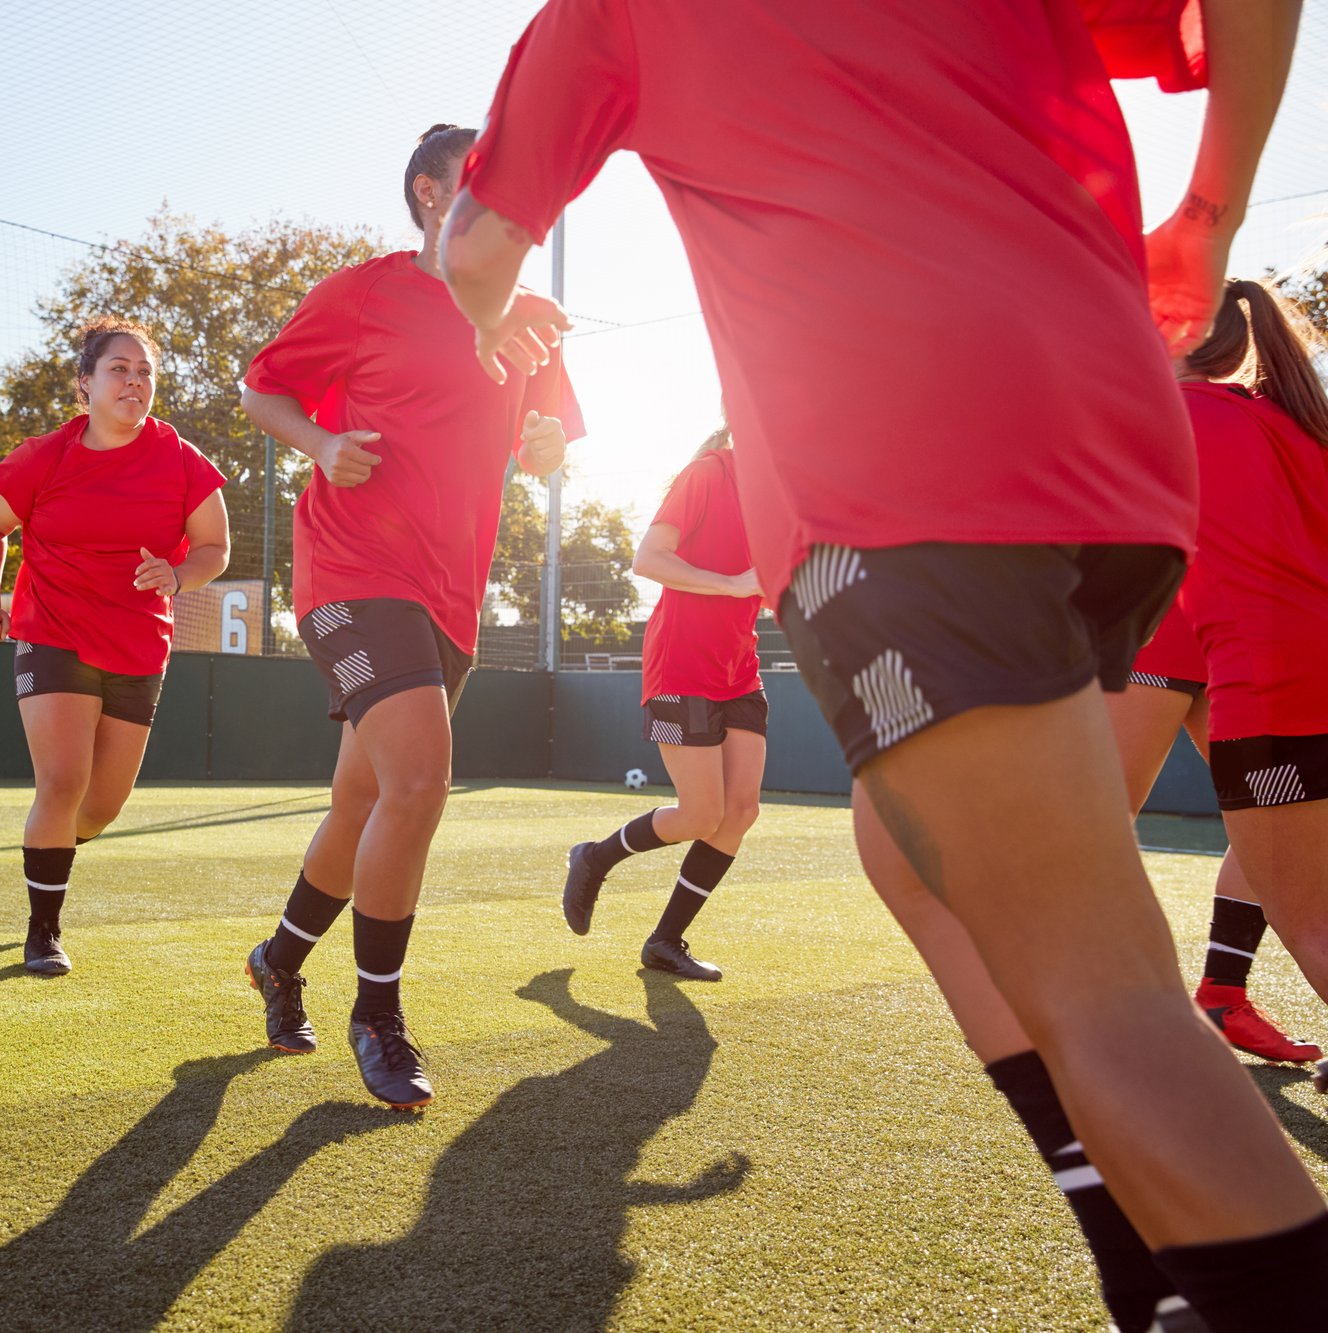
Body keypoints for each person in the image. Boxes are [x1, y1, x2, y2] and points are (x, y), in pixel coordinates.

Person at [438, 0, 1326, 1327]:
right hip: (1122, 463)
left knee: (1107, 986)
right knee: (909, 857)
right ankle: (1137, 1257)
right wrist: (1214, 204)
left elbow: (479, 242)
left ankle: (1198, 1284)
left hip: (906, 473)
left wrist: (482, 315)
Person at [237, 124, 581, 1110]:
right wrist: (318, 439)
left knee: (361, 802)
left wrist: (550, 441)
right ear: (431, 196)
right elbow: (262, 386)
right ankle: (376, 1012)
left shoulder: (531, 317)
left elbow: (541, 454)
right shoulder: (366, 293)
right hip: (349, 569)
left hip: (449, 596)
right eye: (484, 183)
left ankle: (277, 957)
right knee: (420, 779)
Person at [0, 318, 229, 976]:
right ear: (85, 384)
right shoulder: (43, 457)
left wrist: (178, 575)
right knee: (63, 780)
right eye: (119, 368)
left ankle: (53, 850)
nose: (134, 381)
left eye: (144, 371)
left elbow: (214, 547)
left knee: (102, 805)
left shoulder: (180, 460)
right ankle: (43, 930)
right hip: (52, 632)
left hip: (139, 645)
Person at [1173, 278, 1328, 1090]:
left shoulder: (1174, 420)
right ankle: (1222, 990)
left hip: (1271, 690)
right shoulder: (1302, 423)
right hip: (1311, 674)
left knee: (1307, 917)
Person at [562, 425, 765, 982]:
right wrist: (736, 585)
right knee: (702, 814)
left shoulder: (783, 497)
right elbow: (648, 559)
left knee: (740, 812)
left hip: (739, 670)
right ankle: (594, 859)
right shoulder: (708, 475)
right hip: (681, 668)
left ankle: (665, 941)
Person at [1111, 600, 1319, 1063]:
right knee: (1099, 823)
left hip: (1237, 631)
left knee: (1282, 821)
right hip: (1158, 621)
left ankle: (1223, 992)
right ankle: (1057, 1001)